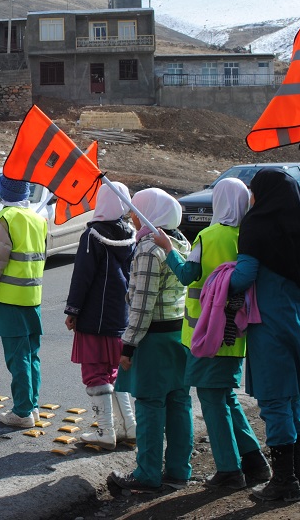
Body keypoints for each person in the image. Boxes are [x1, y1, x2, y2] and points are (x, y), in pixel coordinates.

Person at [154, 177, 270, 490]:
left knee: (212, 400)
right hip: (236, 333)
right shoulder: (247, 235)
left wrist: (167, 250)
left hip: (206, 334)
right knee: (226, 398)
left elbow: (187, 275)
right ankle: (255, 463)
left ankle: (230, 471)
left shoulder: (209, 235)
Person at [108, 188, 193, 493]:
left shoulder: (147, 249)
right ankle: (179, 471)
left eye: (136, 210)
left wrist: (128, 346)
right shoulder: (179, 243)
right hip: (179, 334)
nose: (132, 216)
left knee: (150, 406)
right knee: (179, 402)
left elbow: (142, 304)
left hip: (153, 339)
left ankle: (146, 474)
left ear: (149, 213)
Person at [227, 168, 300, 502]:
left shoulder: (256, 226)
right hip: (297, 320)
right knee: (293, 398)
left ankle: (284, 483)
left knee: (274, 400)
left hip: (269, 324)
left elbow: (244, 276)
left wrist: (221, 279)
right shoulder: (299, 225)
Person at [64, 182, 137, 449]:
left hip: (94, 315)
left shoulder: (93, 235)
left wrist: (73, 310)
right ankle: (129, 427)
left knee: (95, 371)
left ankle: (106, 431)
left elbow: (82, 277)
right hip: (120, 314)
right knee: (112, 370)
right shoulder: (131, 233)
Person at [0, 177, 46, 428]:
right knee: (31, 354)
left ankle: (22, 411)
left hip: (10, 299)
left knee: (17, 357)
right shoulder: (38, 219)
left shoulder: (4, 219)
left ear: (2, 192)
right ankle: (32, 405)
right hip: (32, 297)